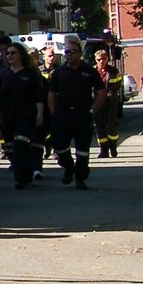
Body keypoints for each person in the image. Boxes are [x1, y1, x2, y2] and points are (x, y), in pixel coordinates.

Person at [46, 37, 107, 189]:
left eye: (73, 52)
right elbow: (51, 93)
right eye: (67, 52)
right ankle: (68, 167)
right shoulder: (58, 73)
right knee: (59, 146)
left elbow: (101, 91)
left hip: (82, 115)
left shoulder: (89, 72)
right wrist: (54, 113)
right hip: (62, 115)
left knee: (82, 150)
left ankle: (80, 178)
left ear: (80, 53)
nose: (70, 54)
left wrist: (94, 109)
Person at [0, 42, 46, 189]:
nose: (9, 55)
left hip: (26, 116)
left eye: (13, 52)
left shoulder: (31, 73)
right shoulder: (3, 74)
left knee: (20, 144)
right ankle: (26, 170)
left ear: (21, 55)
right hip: (7, 116)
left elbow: (38, 96)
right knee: (10, 149)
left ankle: (20, 179)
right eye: (8, 53)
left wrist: (40, 113)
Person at [92, 46, 124, 158]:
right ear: (95, 59)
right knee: (99, 127)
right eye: (99, 59)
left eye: (103, 58)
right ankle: (103, 150)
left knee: (111, 127)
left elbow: (118, 84)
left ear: (107, 59)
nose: (101, 61)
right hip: (97, 103)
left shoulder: (114, 71)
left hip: (110, 103)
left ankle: (113, 147)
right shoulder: (92, 71)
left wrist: (110, 92)